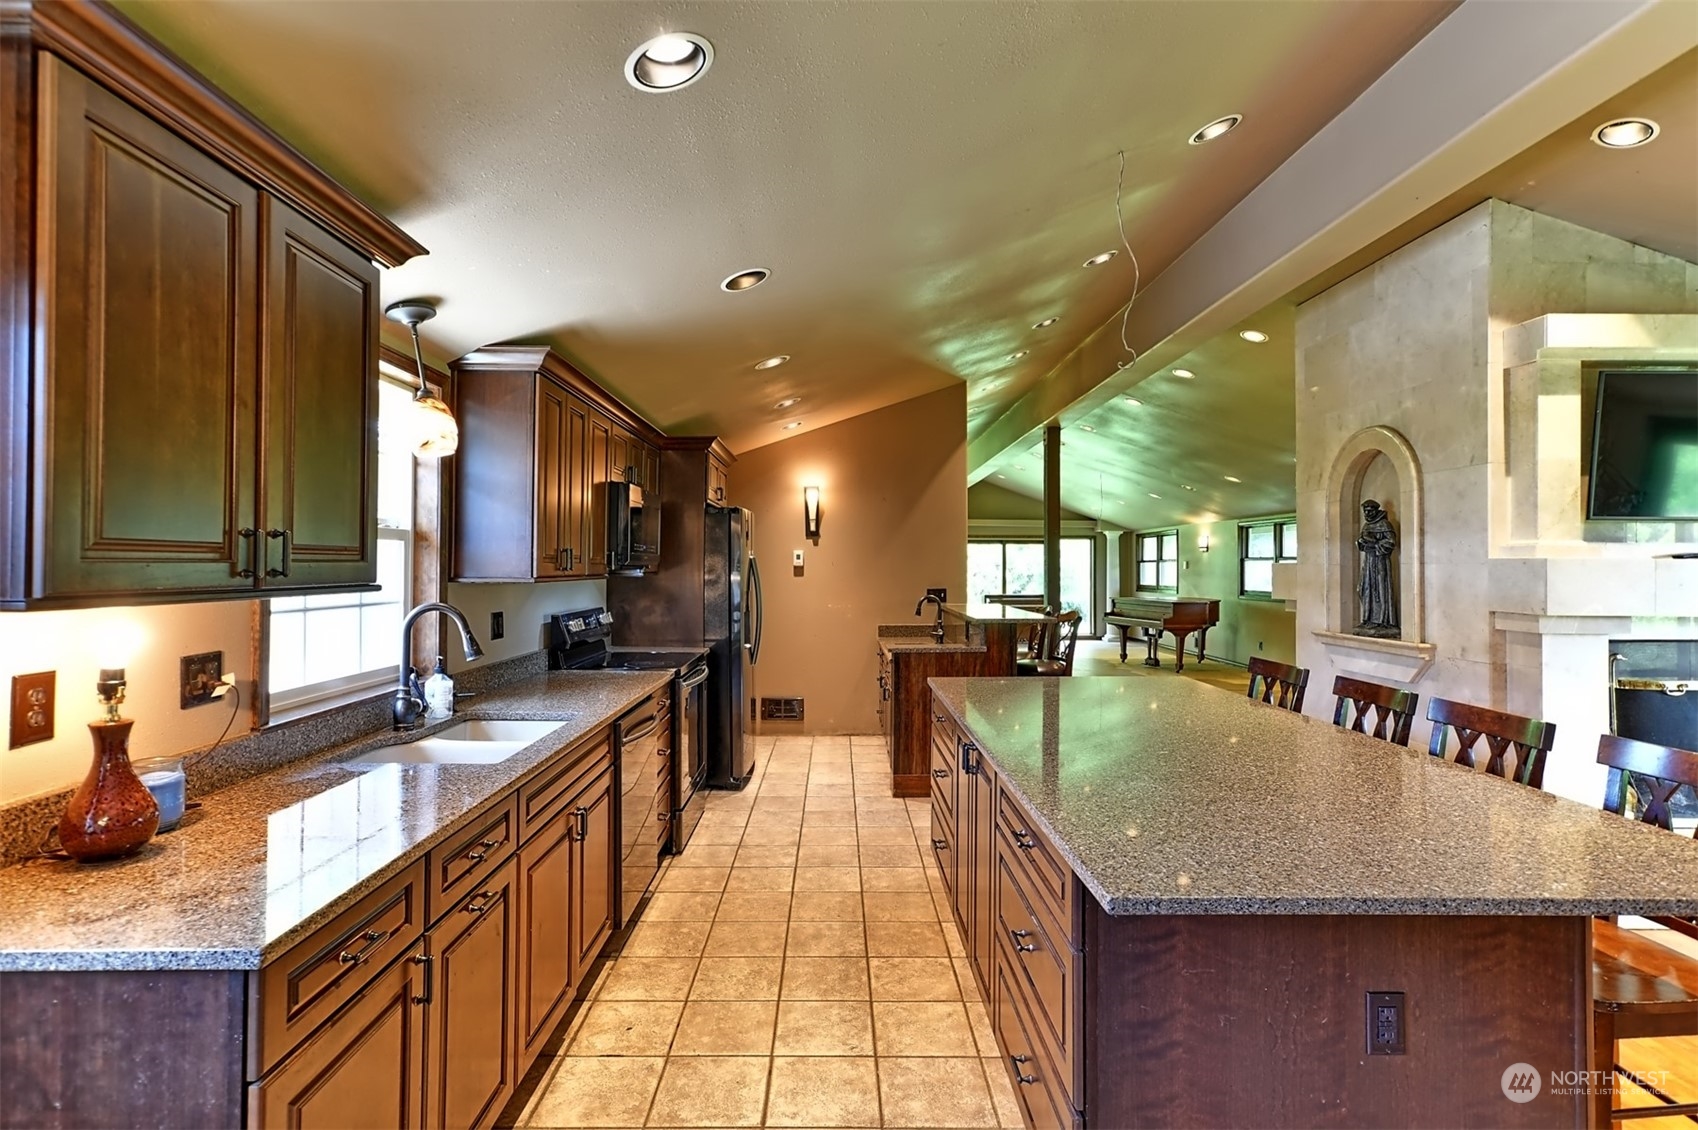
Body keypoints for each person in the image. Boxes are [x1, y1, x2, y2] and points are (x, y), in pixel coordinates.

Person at [1356, 499, 1399, 636]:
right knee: (1364, 588)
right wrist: (1361, 542)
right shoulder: (1366, 526)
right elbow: (1362, 543)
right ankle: (1368, 618)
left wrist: (1373, 543)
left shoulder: (1384, 524)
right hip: (1368, 561)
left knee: (1380, 589)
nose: (1367, 514)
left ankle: (1382, 621)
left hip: (1380, 562)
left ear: (1376, 510)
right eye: (1365, 511)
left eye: (1369, 511)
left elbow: (1390, 543)